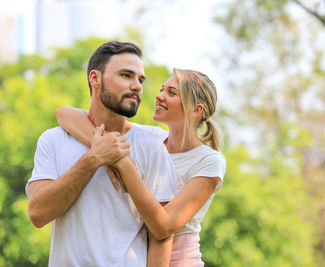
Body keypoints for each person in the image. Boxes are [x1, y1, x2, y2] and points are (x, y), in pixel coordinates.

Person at [26, 41, 177, 267]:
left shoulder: (152, 146)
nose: (137, 86)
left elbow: (162, 235)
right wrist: (94, 158)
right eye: (126, 75)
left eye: (140, 79)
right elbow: (38, 214)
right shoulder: (53, 140)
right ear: (95, 78)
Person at [56, 68, 227, 266]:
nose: (159, 96)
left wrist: (121, 161)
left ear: (196, 110)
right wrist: (102, 149)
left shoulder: (209, 161)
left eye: (171, 93)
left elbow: (163, 226)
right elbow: (64, 114)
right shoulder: (152, 139)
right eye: (162, 90)